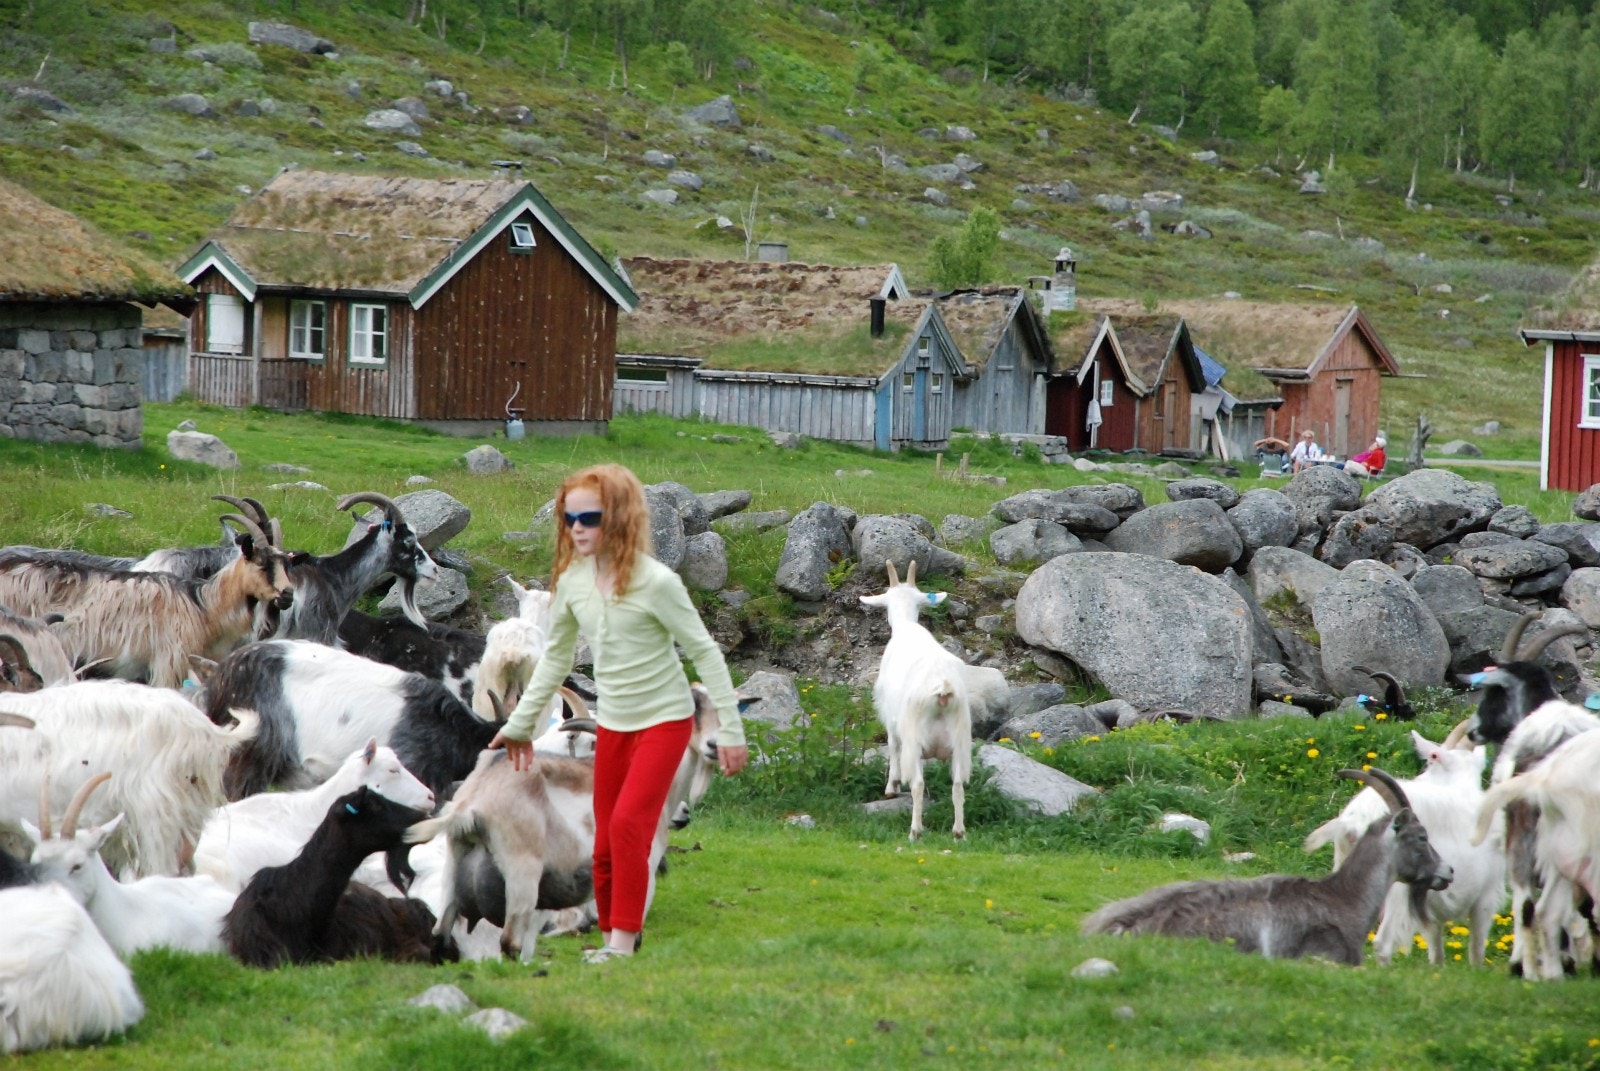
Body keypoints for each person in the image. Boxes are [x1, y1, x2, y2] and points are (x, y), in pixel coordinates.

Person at [489, 463, 747, 963]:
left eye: (589, 518)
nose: (577, 529)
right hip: (613, 725)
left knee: (629, 825)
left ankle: (622, 946)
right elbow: (557, 659)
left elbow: (706, 652)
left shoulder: (657, 583)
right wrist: (519, 724)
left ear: (621, 518)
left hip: (665, 722)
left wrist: (732, 730)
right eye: (569, 519)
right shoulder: (572, 581)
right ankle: (612, 938)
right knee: (605, 841)